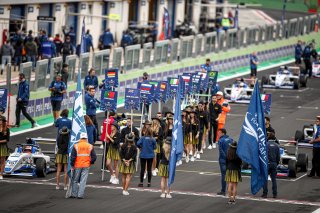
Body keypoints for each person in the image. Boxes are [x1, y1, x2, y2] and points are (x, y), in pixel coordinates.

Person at [70, 132, 97, 199]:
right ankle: (80, 195)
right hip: (86, 165)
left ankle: (74, 194)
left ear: (80, 138)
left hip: (77, 165)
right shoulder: (90, 146)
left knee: (75, 180)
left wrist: (72, 164)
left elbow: (73, 157)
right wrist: (90, 162)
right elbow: (94, 157)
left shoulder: (76, 146)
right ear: (86, 138)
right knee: (83, 181)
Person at [262, 132, 280, 198]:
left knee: (265, 179)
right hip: (274, 163)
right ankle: (275, 194)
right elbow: (278, 157)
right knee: (274, 179)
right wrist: (276, 163)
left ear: (268, 137)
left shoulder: (265, 145)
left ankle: (265, 193)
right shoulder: (277, 145)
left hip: (267, 164)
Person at [217, 128, 233, 196]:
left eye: (219, 133)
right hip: (230, 160)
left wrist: (226, 157)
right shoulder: (231, 139)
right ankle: (230, 191)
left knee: (223, 175)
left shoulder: (220, 140)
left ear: (223, 133)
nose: (218, 134)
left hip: (223, 160)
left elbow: (221, 151)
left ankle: (223, 191)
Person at [55, 126, 70, 190]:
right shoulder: (68, 138)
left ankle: (57, 185)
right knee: (66, 170)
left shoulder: (58, 137)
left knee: (58, 170)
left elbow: (58, 146)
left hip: (59, 153)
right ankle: (65, 186)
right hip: (66, 154)